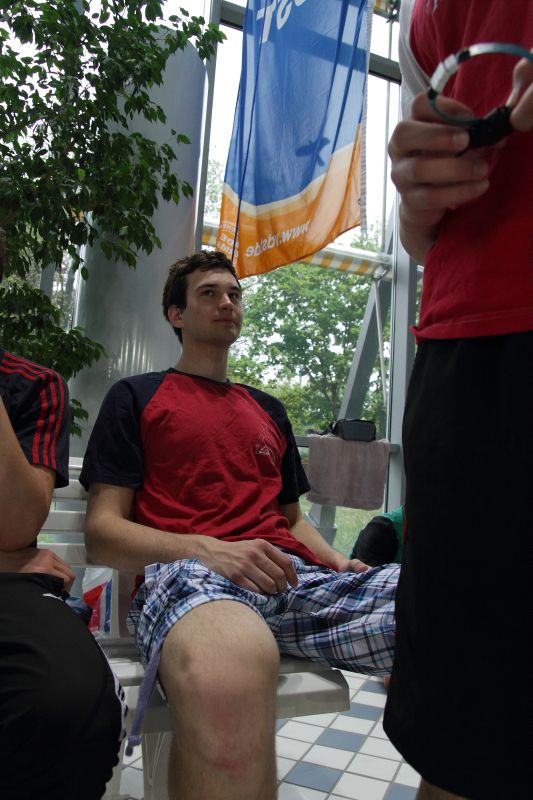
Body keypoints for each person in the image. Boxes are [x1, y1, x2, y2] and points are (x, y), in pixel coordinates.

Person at [80, 249, 399, 800]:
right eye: (209, 293)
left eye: (234, 294)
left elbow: (291, 519)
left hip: (292, 581)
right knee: (228, 683)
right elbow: (102, 533)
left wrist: (336, 562)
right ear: (176, 314)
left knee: (465, 612)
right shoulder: (137, 396)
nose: (227, 302)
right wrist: (209, 551)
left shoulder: (268, 410)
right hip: (195, 580)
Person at [383, 3, 533, 799]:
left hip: (471, 353)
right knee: (464, 749)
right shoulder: (427, 19)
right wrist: (419, 200)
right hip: (470, 360)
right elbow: (425, 235)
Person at [0, 239, 125, 799]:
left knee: (73, 706)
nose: (226, 305)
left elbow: (14, 523)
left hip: (11, 589)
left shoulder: (31, 386)